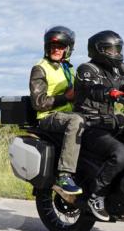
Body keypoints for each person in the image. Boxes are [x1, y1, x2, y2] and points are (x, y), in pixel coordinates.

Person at [73, 30, 124, 220]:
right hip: (90, 125)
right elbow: (93, 88)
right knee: (121, 154)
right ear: (98, 50)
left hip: (109, 125)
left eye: (118, 49)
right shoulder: (87, 69)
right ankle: (96, 196)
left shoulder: (114, 73)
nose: (116, 53)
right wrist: (112, 93)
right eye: (111, 49)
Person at [29, 26, 85, 197]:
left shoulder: (68, 69)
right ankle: (64, 175)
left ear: (68, 49)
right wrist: (65, 97)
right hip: (48, 117)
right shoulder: (40, 68)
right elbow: (38, 103)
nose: (56, 50)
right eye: (53, 46)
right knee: (76, 121)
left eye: (60, 47)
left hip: (68, 114)